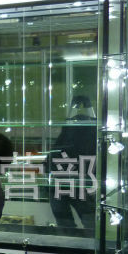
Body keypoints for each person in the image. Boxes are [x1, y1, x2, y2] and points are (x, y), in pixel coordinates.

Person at [48, 95, 97, 231]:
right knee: (91, 225)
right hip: (80, 185)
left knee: (66, 225)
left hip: (63, 185)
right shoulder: (91, 139)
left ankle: (71, 241)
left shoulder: (65, 138)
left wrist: (74, 108)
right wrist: (88, 107)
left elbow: (49, 161)